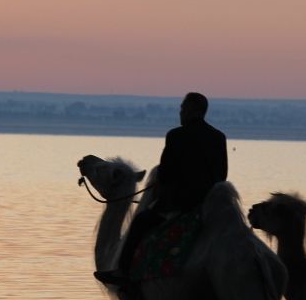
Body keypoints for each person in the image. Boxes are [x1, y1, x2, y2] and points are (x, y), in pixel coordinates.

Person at [94, 92, 227, 286]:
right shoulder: (218, 137)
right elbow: (222, 176)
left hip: (181, 204)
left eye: (182, 108)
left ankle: (122, 272)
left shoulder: (176, 135)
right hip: (209, 204)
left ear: (189, 109)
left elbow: (165, 174)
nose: (180, 112)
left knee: (139, 223)